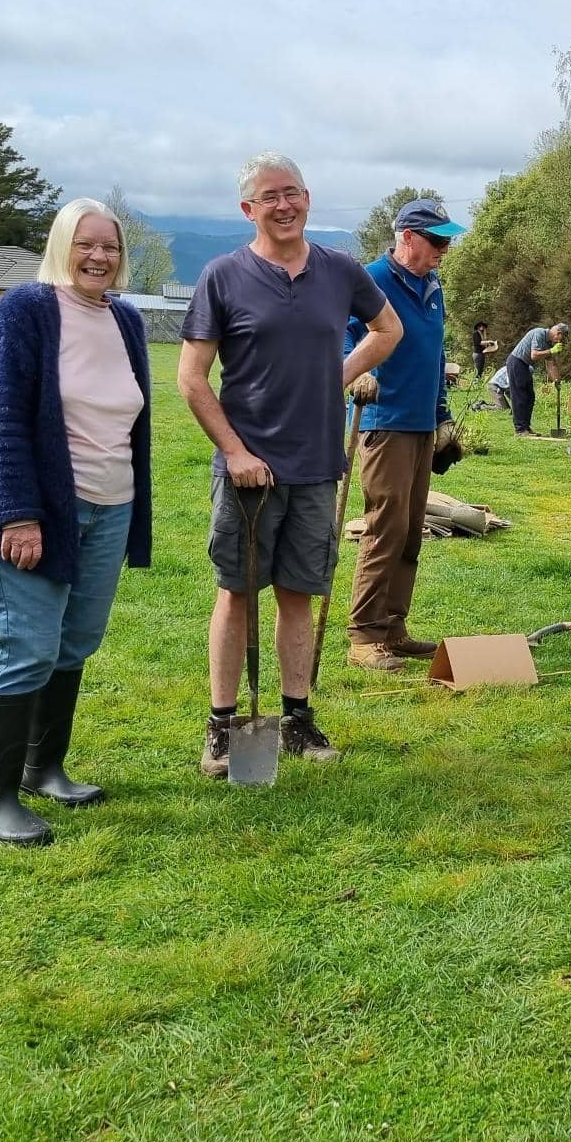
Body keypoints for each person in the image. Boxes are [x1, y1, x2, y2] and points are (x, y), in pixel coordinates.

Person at [177, 153, 403, 771]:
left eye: (292, 193)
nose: (284, 205)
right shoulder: (223, 276)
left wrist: (339, 376)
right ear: (248, 209)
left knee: (299, 594)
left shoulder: (339, 271)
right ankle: (223, 726)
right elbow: (192, 379)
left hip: (316, 464)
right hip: (249, 468)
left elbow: (387, 331)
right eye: (269, 196)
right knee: (237, 595)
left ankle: (297, 719)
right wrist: (235, 452)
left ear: (308, 198)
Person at [0, 199, 152, 846]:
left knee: (75, 642)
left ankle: (42, 768)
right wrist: (18, 514)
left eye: (110, 246)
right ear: (60, 246)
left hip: (111, 508)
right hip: (43, 511)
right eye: (86, 243)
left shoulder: (124, 321)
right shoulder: (27, 311)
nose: (99, 256)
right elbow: (0, 420)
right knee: (27, 645)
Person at [344, 199, 462, 673]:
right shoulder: (370, 280)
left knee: (411, 530)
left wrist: (442, 416)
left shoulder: (432, 286)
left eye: (448, 240)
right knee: (385, 526)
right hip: (384, 421)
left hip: (419, 423)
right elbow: (342, 334)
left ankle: (393, 626)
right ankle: (365, 635)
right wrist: (353, 373)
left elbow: (435, 355)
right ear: (407, 238)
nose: (445, 250)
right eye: (437, 240)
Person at [505, 321, 567, 435]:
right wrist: (551, 351)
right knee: (520, 396)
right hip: (516, 362)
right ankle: (520, 429)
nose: (558, 341)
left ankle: (526, 427)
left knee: (530, 397)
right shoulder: (539, 333)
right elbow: (534, 355)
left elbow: (550, 364)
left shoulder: (548, 343)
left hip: (525, 365)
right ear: (557, 333)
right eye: (560, 338)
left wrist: (556, 380)